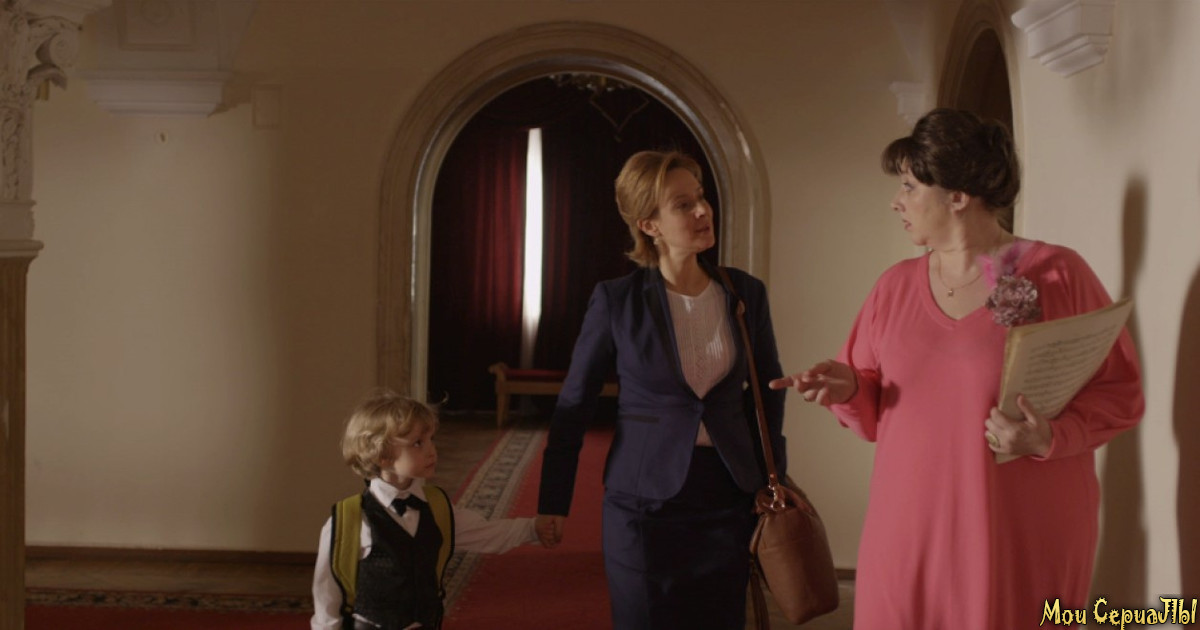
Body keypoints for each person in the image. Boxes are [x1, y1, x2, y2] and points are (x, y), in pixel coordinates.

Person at [770, 108, 1144, 629]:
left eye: (909, 186)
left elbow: (1120, 390)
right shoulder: (893, 287)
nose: (896, 201)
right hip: (908, 530)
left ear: (958, 197)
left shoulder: (1058, 274)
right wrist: (850, 388)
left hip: (1021, 531)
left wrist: (1051, 437)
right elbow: (875, 414)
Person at [535, 150, 787, 630]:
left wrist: (774, 478)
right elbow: (575, 404)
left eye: (702, 198)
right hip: (643, 505)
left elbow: (768, 395)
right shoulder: (617, 300)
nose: (703, 211)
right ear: (649, 225)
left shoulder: (745, 293)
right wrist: (553, 499)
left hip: (728, 498)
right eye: (683, 205)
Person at [311, 390, 551, 629]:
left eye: (431, 439)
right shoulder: (350, 521)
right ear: (382, 455)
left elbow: (486, 534)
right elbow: (327, 594)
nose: (432, 450)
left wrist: (532, 528)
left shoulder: (437, 508)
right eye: (418, 443)